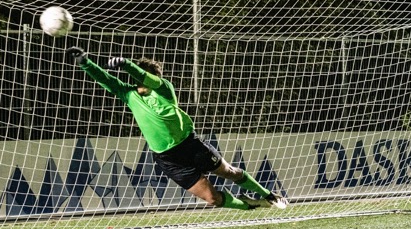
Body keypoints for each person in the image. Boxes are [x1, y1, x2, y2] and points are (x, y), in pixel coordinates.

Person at [66, 47, 288, 211]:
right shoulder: (130, 95)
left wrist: (126, 64)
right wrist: (85, 62)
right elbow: (106, 80)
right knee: (212, 198)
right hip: (168, 159)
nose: (137, 79)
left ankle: (270, 195)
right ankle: (252, 206)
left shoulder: (164, 89)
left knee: (229, 172)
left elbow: (145, 77)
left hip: (190, 145)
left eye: (142, 75)